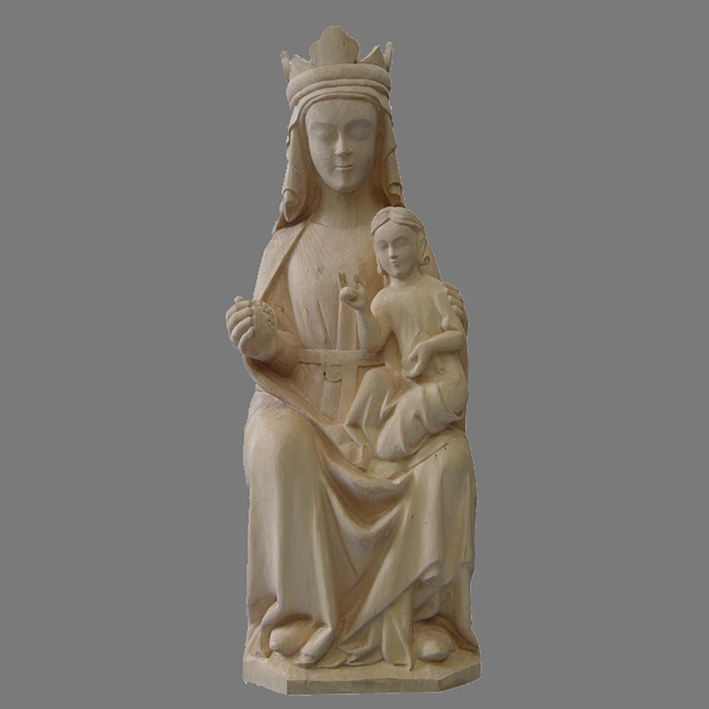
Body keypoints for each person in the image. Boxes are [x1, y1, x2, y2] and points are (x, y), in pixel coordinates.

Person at [226, 27, 477, 671]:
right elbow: (280, 355)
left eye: (358, 132)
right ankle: (303, 614)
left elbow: (434, 331)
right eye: (326, 133)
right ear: (301, 145)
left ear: (382, 138)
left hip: (387, 407)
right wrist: (265, 339)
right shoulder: (286, 244)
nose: (342, 149)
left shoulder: (404, 240)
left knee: (450, 461)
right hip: (304, 410)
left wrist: (430, 375)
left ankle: (416, 616)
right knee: (277, 445)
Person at [340, 206, 468, 466]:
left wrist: (429, 346)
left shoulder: (435, 291)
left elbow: (457, 335)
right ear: (376, 254)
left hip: (445, 383)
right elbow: (372, 344)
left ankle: (396, 456)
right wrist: (362, 309)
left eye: (400, 244)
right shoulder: (385, 299)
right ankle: (362, 440)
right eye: (383, 247)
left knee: (387, 448)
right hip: (409, 379)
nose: (392, 254)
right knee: (375, 379)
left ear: (419, 246)